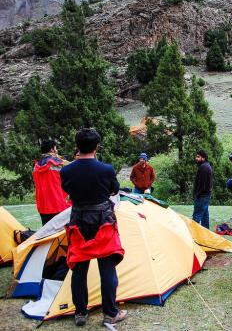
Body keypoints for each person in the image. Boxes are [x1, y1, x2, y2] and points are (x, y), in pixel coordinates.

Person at [60, 128, 127, 327]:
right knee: (107, 268)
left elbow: (66, 189)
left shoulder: (66, 170)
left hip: (78, 220)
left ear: (77, 147)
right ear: (97, 146)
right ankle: (110, 313)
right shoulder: (106, 169)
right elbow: (114, 189)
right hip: (103, 220)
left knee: (79, 267)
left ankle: (80, 313)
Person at [32, 140, 71, 225]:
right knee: (62, 235)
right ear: (52, 149)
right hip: (59, 204)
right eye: (55, 148)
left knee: (47, 234)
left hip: (43, 206)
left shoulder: (35, 166)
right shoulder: (59, 163)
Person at [192, 149, 213, 229]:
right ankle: (206, 232)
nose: (196, 158)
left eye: (198, 157)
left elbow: (202, 184)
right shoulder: (206, 166)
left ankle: (193, 234)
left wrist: (197, 194)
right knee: (204, 215)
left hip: (202, 195)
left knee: (196, 216)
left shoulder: (204, 167)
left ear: (203, 158)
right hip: (205, 195)